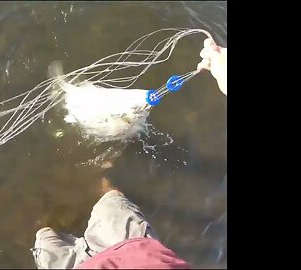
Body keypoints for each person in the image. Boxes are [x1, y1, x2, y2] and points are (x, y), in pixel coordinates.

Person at [30, 38, 227, 269]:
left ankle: (47, 219)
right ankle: (99, 185)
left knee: (43, 235)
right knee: (109, 199)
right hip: (134, 251)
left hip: (108, 258)